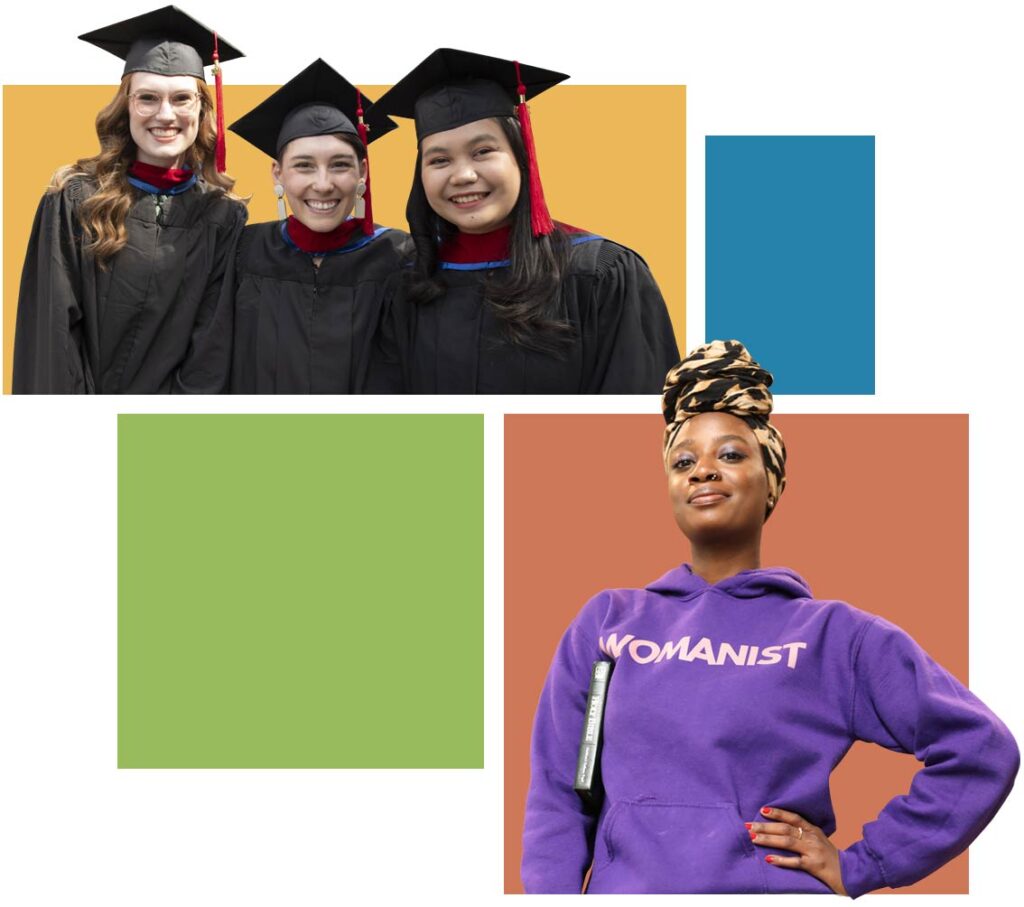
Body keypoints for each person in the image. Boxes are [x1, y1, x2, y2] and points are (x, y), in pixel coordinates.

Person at [521, 340, 1019, 895]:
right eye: (683, 460)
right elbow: (558, 791)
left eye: (731, 455)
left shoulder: (835, 637)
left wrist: (866, 863)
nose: (703, 470)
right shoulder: (609, 624)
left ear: (771, 480)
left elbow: (980, 748)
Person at [373, 48, 679, 394]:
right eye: (439, 160)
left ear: (522, 157)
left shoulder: (599, 274)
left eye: (483, 151)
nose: (463, 175)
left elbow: (638, 421)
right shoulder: (406, 283)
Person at [12, 5, 247, 394]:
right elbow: (52, 336)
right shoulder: (75, 199)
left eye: (182, 98)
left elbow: (213, 351)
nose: (165, 114)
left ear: (203, 109)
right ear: (126, 106)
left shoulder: (223, 218)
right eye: (148, 98)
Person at [227, 59, 412, 393]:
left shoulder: (399, 258)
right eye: (304, 166)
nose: (323, 184)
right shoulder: (244, 251)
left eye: (340, 165)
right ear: (277, 174)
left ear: (363, 172)